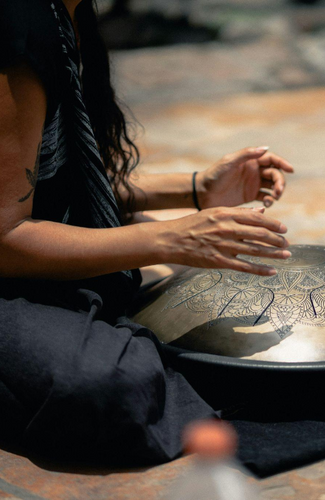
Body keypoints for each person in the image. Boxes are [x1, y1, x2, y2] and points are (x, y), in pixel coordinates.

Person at [0, 0, 293, 465]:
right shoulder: (15, 20)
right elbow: (5, 235)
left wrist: (197, 188)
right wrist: (169, 238)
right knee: (110, 384)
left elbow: (58, 183)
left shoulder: (68, 11)